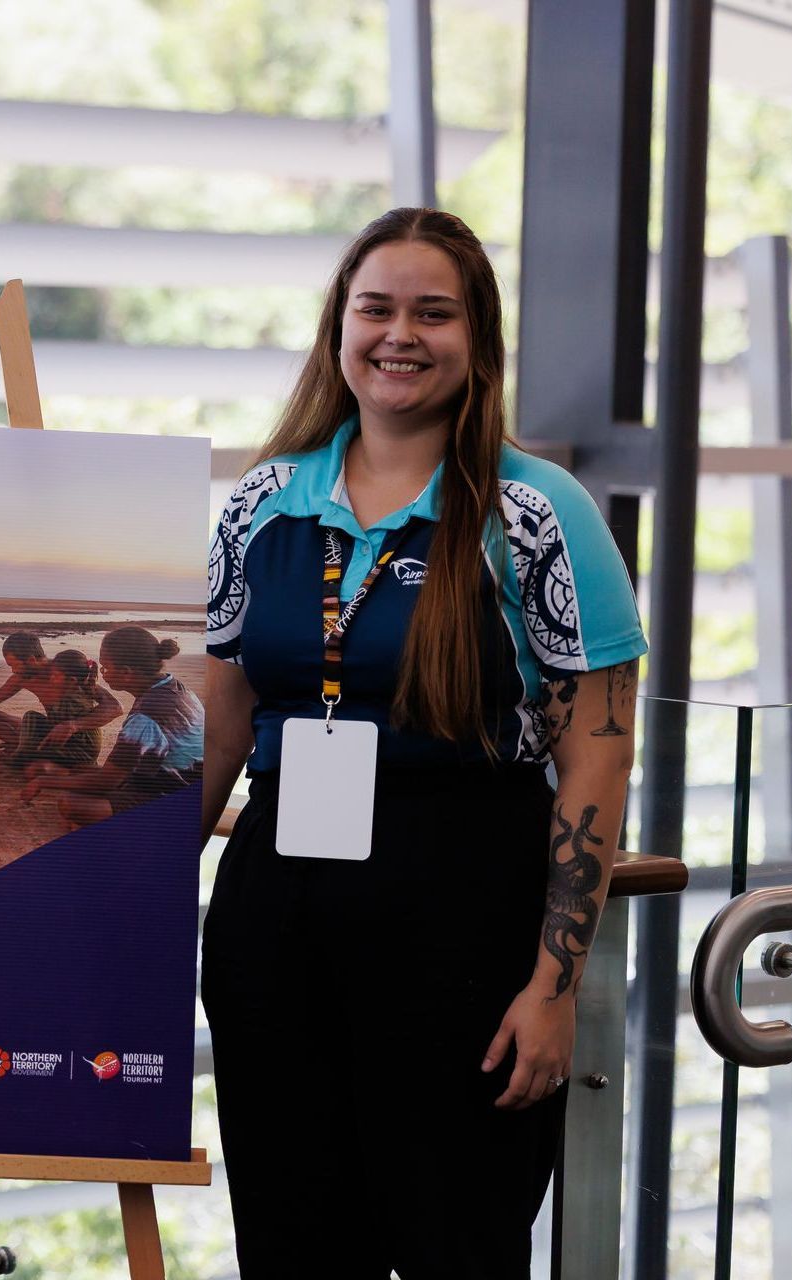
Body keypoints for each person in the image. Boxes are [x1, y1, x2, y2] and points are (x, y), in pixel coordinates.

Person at [200, 207, 644, 1276]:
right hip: (276, 918)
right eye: (375, 308)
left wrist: (549, 989)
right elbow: (214, 717)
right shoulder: (261, 501)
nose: (399, 334)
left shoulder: (538, 512)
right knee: (291, 1245)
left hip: (463, 922)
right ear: (337, 330)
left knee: (458, 1243)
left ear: (476, 340)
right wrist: (124, 903)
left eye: (432, 313)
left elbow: (597, 753)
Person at [21, 628, 204, 825]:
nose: (102, 673)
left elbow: (106, 782)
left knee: (71, 805)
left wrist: (44, 782)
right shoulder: (173, 687)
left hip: (171, 794)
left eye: (105, 668)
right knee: (62, 770)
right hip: (158, 777)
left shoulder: (145, 717)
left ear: (126, 672)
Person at [0, 633, 119, 764]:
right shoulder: (22, 678)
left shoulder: (66, 672)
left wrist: (74, 725)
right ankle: (22, 747)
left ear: (31, 660)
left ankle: (25, 753)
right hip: (51, 728)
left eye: (14, 665)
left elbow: (115, 707)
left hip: (75, 738)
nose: (13, 671)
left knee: (31, 729)